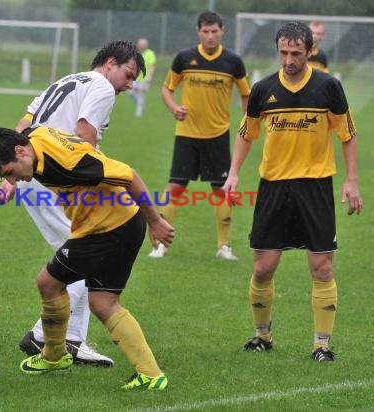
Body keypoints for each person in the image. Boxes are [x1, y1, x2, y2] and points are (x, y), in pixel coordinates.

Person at [0, 40, 146, 367]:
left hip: (31, 175)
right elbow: (84, 139)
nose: (129, 85)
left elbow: (15, 136)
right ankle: (48, 338)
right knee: (81, 258)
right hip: (57, 178)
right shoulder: (102, 87)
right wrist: (101, 177)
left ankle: (69, 340)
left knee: (77, 257)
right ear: (109, 63)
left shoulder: (63, 82)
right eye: (128, 74)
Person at [0, 126, 174, 389]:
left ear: (20, 151)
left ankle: (54, 356)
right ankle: (151, 374)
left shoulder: (68, 163)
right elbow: (27, 127)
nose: (14, 181)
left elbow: (129, 175)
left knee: (48, 282)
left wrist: (156, 220)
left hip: (107, 228)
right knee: (103, 302)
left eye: (10, 174)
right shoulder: (33, 136)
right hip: (120, 223)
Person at [222, 21, 362, 362]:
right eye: (283, 52)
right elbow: (246, 133)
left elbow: (347, 134)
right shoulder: (263, 89)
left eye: (296, 53)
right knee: (262, 268)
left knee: (322, 267)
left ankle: (321, 344)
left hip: (315, 187)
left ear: (310, 52)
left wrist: (351, 179)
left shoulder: (328, 86)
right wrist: (234, 173)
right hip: (274, 187)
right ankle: (261, 336)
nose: (288, 60)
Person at [149, 11, 251, 260]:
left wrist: (250, 121)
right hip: (187, 135)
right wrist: (175, 108)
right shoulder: (185, 58)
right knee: (175, 188)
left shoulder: (233, 62)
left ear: (222, 31)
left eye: (214, 31)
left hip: (218, 136)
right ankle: (161, 245)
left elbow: (246, 93)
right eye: (205, 31)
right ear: (198, 31)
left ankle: (224, 246)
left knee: (222, 191)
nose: (210, 36)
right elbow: (166, 88)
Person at [128, 37, 156, 117]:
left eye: (144, 44)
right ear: (138, 44)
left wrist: (150, 76)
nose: (142, 45)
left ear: (146, 45)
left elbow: (152, 66)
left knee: (141, 94)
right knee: (130, 91)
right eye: (141, 44)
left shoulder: (150, 53)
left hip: (144, 78)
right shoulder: (135, 53)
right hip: (135, 77)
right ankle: (139, 102)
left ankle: (138, 113)